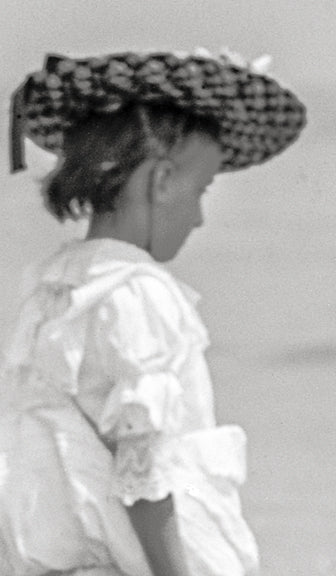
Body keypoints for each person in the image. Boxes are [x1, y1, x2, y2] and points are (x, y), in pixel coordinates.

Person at [0, 49, 305, 576]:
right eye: (200, 191)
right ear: (161, 182)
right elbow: (144, 471)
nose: (200, 216)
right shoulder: (139, 293)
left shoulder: (49, 290)